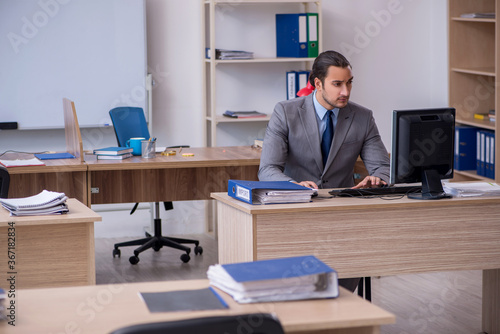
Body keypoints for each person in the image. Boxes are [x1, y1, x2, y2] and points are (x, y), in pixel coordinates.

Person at [258, 50, 390, 292]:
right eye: (337, 84)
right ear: (317, 83)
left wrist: (377, 178)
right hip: (296, 211)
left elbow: (382, 167)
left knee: (342, 282)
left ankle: (341, 313)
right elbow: (267, 169)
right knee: (296, 282)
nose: (346, 92)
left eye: (349, 83)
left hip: (343, 215)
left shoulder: (362, 117)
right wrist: (293, 186)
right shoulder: (286, 112)